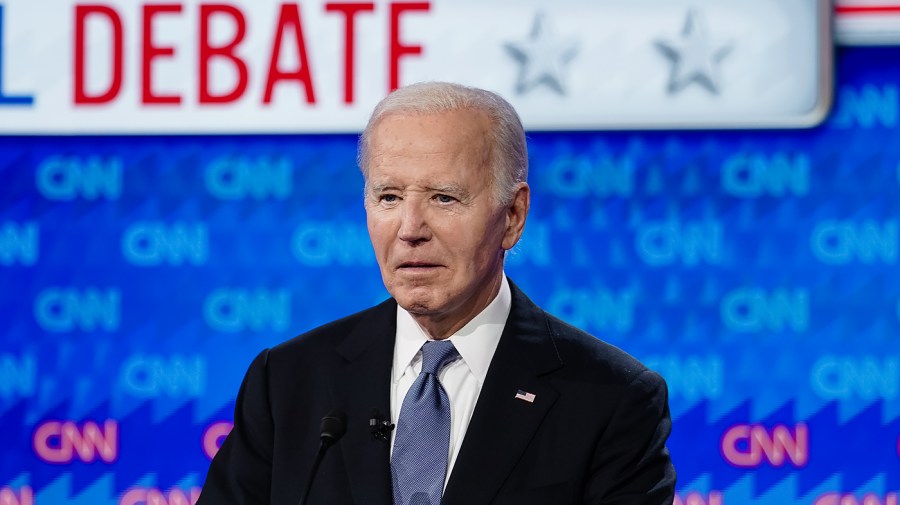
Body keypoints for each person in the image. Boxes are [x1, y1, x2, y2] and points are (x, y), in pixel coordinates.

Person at [197, 82, 676, 505]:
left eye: (443, 198)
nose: (409, 229)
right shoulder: (286, 382)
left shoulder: (612, 400)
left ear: (512, 215)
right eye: (388, 197)